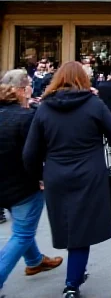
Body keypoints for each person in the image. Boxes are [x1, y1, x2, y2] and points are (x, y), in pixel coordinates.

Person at [22, 61, 111, 298]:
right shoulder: (93, 104)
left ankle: (76, 274)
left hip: (56, 173)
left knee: (68, 225)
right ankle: (72, 283)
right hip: (89, 172)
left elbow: (30, 153)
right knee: (83, 227)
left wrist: (39, 176)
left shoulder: (45, 108)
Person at [0, 70, 63, 294]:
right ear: (22, 90)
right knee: (22, 233)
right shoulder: (25, 117)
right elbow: (33, 153)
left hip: (4, 182)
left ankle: (35, 261)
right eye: (28, 87)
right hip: (22, 184)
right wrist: (40, 177)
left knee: (21, 227)